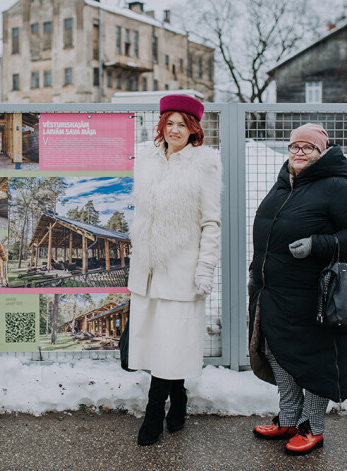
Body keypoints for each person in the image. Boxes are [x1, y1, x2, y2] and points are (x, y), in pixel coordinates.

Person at [248, 123, 347, 455]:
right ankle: (288, 417)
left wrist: (318, 244)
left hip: (313, 294)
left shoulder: (335, 186)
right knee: (276, 352)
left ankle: (312, 427)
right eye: (295, 146)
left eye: (308, 148)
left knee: (313, 361)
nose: (300, 153)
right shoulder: (284, 183)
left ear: (321, 152)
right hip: (275, 291)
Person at [128, 94, 221, 446]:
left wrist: (204, 269)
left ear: (194, 129)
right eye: (170, 123)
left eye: (183, 124)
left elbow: (211, 222)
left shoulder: (204, 165)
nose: (175, 130)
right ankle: (179, 395)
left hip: (181, 270)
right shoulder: (148, 161)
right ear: (162, 126)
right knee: (160, 343)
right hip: (148, 269)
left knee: (171, 341)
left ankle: (154, 412)